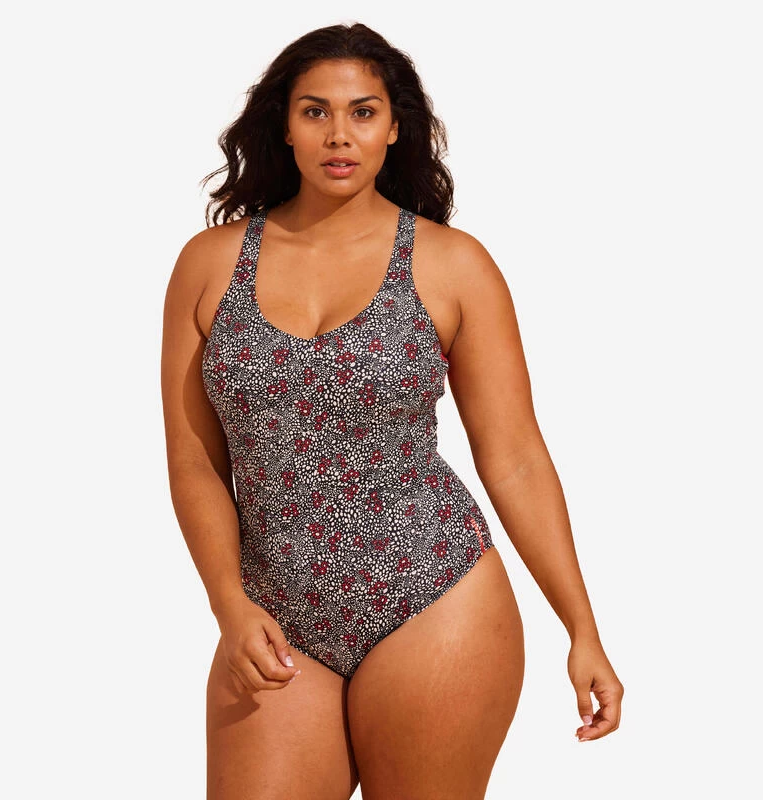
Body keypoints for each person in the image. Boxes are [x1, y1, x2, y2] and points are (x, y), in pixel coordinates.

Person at [161, 21, 624, 800]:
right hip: (273, 609)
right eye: (315, 111)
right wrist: (229, 604)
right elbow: (195, 461)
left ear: (395, 127)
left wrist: (582, 628)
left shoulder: (454, 264)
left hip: (436, 596)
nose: (339, 134)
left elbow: (514, 457)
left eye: (363, 112)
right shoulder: (209, 264)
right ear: (284, 125)